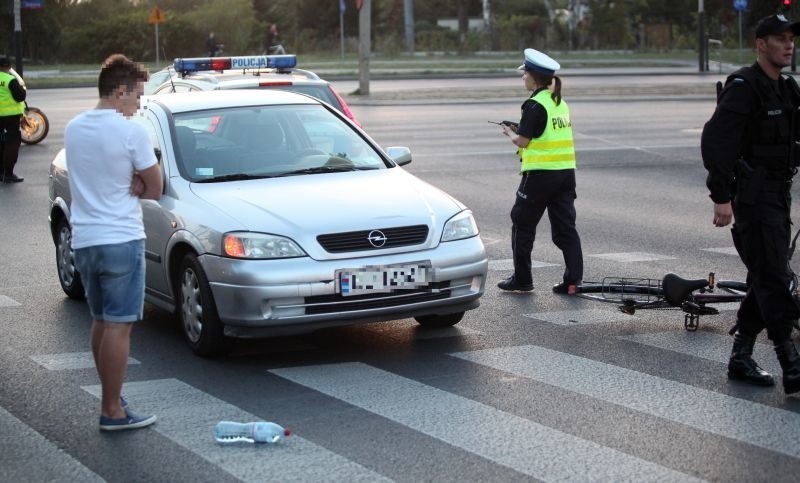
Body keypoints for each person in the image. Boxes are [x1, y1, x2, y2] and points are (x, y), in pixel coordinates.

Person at [701, 14, 800, 396]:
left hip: (778, 194)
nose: (788, 45)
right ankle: (790, 358)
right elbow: (716, 143)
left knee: (764, 274)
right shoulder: (744, 86)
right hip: (753, 198)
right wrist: (721, 196)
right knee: (775, 276)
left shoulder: (787, 89)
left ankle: (741, 356)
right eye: (779, 38)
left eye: (791, 39)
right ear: (760, 44)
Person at [65, 54, 163, 430]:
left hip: (85, 239)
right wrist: (137, 184)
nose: (139, 104)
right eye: (137, 96)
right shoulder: (131, 130)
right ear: (120, 91)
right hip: (121, 238)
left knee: (102, 321)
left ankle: (111, 397)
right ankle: (112, 410)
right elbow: (155, 187)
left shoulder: (74, 127)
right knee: (120, 326)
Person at [496, 48, 583, 294]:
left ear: (534, 76)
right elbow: (545, 133)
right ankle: (573, 280)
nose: (522, 78)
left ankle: (522, 279)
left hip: (540, 175)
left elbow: (523, 141)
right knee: (565, 228)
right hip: (565, 173)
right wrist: (522, 129)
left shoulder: (534, 104)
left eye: (525, 74)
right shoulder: (559, 102)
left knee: (522, 224)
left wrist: (510, 132)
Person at [0, 56, 26, 183]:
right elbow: (20, 97)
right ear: (8, 67)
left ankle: (0, 173)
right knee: (11, 145)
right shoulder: (10, 80)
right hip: (10, 117)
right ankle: (8, 174)